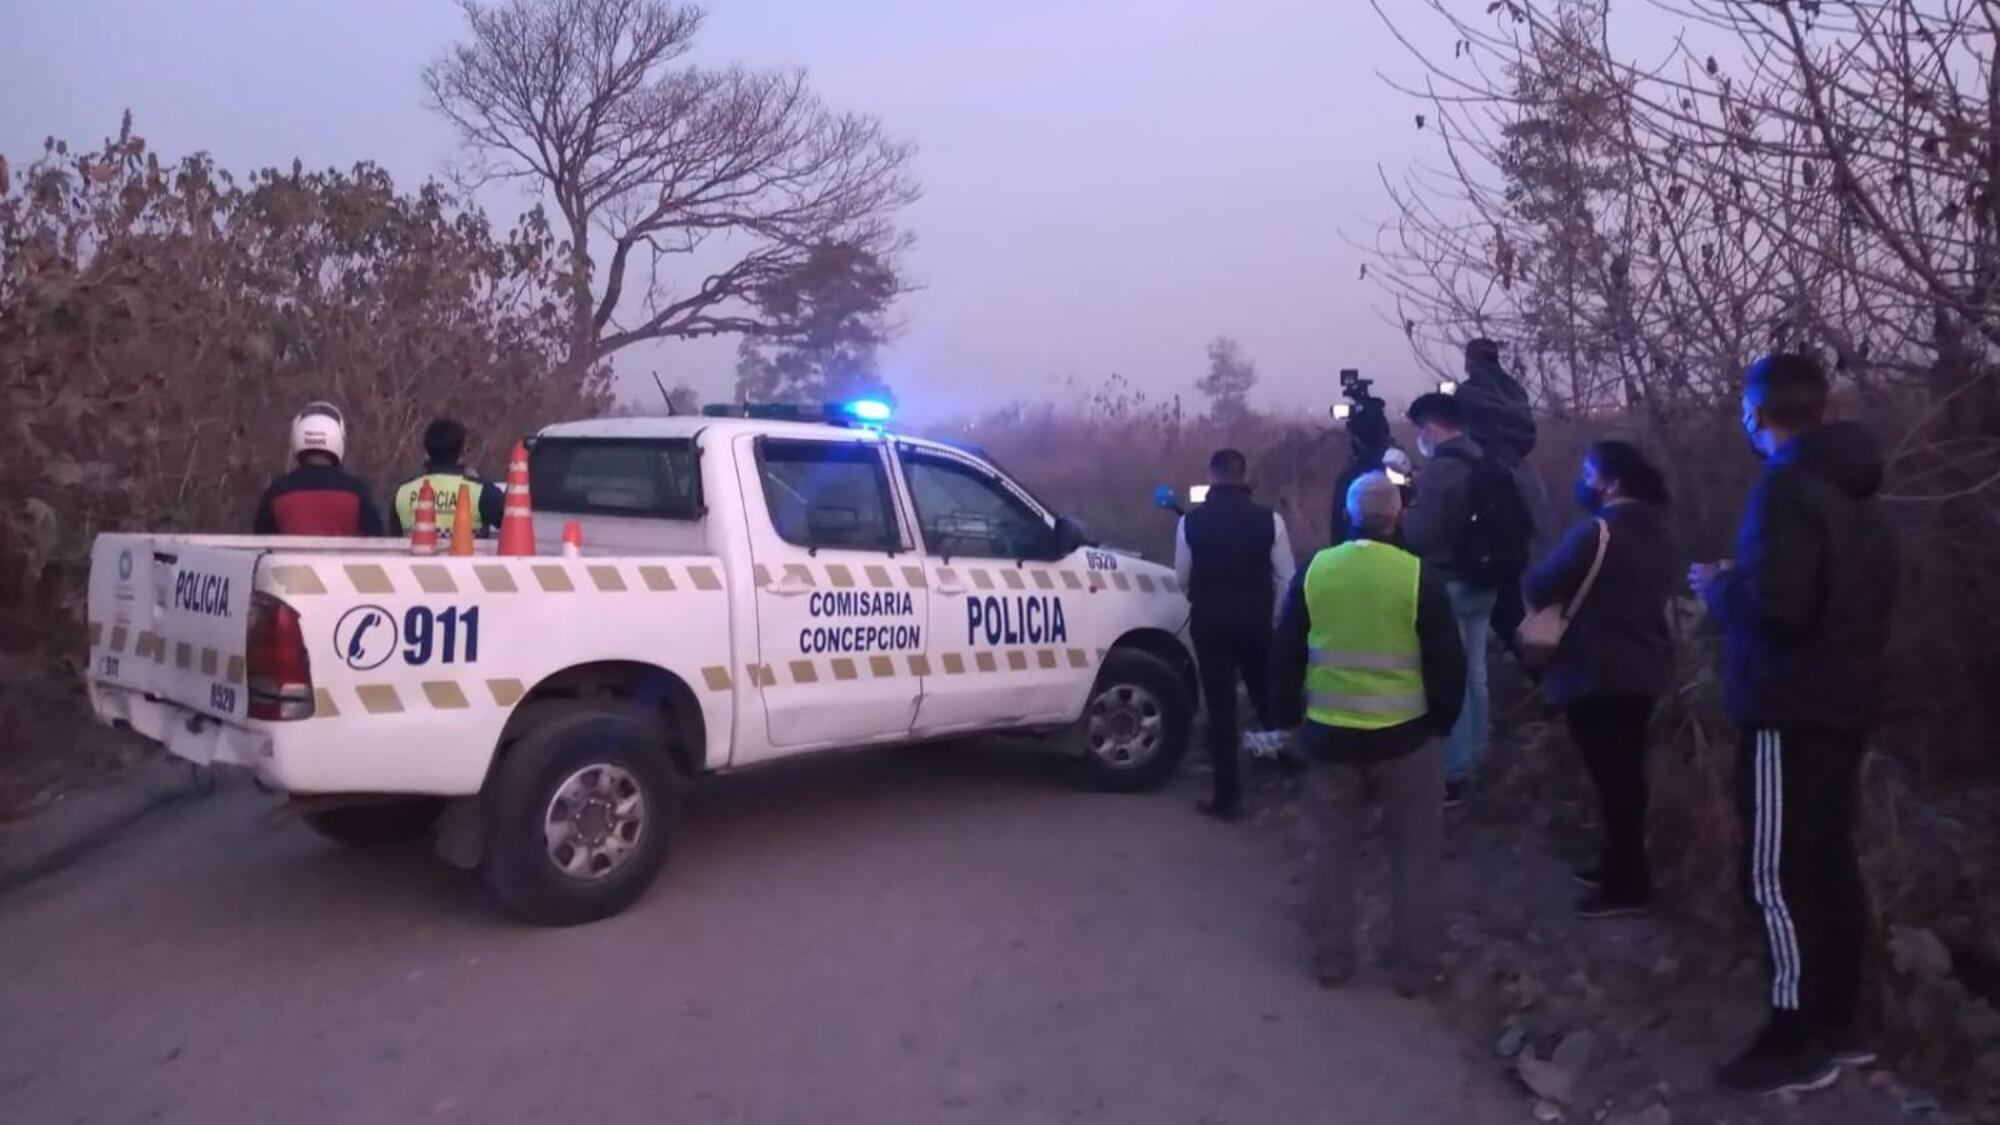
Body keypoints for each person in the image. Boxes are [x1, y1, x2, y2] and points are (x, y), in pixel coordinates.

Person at [1689, 353, 1898, 1097]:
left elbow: (1780, 609)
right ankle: (1844, 1022)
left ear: (1757, 413)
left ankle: (1793, 1032)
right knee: (1831, 862)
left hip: (1787, 706)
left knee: (1775, 872)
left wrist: (1720, 589)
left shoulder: (1784, 489)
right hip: (1848, 701)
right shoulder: (1862, 491)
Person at [1271, 471, 1464, 995]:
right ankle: (1415, 966)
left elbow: (1286, 654)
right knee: (1415, 853)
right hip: (1405, 739)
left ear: (1350, 514)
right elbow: (1448, 661)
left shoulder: (1315, 571)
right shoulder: (1418, 576)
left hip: (1330, 738)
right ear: (1397, 515)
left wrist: (1288, 721)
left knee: (1331, 849)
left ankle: (1332, 957)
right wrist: (1440, 724)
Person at [1522, 441, 1679, 919]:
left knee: (1612, 778)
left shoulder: (1598, 532)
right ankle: (1619, 864)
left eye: (1589, 473)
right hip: (1646, 665)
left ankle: (1627, 882)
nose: (1583, 481)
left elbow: (1539, 584)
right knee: (1627, 773)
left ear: (1610, 482)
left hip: (1596, 668)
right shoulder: (1661, 532)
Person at [1402, 391, 1529, 804]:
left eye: (1421, 430)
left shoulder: (1442, 469)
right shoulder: (1483, 458)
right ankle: (1477, 756)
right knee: (1476, 674)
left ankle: (1454, 773)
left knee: (1450, 677)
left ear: (1433, 427)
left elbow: (1422, 534)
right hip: (1486, 581)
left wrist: (1405, 516)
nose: (1420, 438)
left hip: (1450, 582)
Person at [1174, 448, 1297, 821]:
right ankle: (1286, 762)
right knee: (1267, 696)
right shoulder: (1270, 521)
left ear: (1212, 476)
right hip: (1256, 622)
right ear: (1244, 476)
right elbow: (1287, 576)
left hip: (1210, 623)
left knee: (1221, 708)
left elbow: (1181, 576)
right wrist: (1273, 616)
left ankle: (1228, 796)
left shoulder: (1190, 523)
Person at [1453, 338, 1551, 642]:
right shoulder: (1515, 391)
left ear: (1470, 361)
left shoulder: (1470, 393)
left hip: (1492, 480)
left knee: (1504, 601)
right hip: (1524, 477)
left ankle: (1526, 648)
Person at [252, 402, 385, 537]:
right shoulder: (358, 490)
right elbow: (377, 541)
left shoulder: (276, 491)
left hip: (290, 559)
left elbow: (261, 542)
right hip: (344, 559)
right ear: (339, 439)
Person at [387, 418, 506, 540]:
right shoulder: (481, 492)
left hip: (417, 558)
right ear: (462, 451)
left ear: (427, 450)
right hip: (468, 558)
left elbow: (393, 541)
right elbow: (517, 527)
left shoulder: (403, 492)